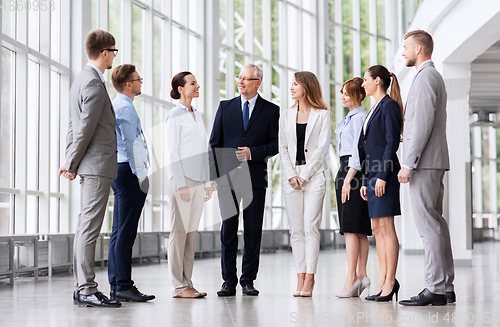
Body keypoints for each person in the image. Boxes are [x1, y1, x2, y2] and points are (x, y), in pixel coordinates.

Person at [58, 30, 120, 307]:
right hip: (96, 165)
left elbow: (74, 127)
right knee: (89, 228)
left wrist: (71, 161)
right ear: (105, 52)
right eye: (114, 51)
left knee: (85, 225)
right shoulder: (94, 83)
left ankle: (83, 287)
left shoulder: (80, 81)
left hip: (88, 163)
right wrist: (72, 162)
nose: (114, 57)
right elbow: (85, 128)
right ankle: (86, 288)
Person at [209, 64, 279, 296]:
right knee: (228, 230)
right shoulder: (225, 107)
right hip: (227, 179)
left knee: (252, 231)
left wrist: (253, 153)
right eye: (239, 77)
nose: (241, 82)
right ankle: (228, 281)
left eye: (246, 79)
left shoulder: (271, 111)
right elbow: (214, 144)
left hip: (255, 178)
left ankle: (248, 280)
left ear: (258, 83)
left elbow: (275, 145)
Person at [398, 30, 455, 306]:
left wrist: (408, 162)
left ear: (419, 48)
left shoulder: (425, 77)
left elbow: (420, 124)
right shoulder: (433, 76)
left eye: (406, 47)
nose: (403, 52)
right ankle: (446, 285)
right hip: (434, 160)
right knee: (437, 224)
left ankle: (435, 287)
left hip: (425, 163)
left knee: (428, 226)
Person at [279, 71, 331, 297]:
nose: (292, 88)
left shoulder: (322, 115)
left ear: (307, 87)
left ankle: (310, 277)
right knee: (296, 230)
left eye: (296, 84)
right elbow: (283, 148)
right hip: (291, 177)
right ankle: (299, 276)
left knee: (311, 227)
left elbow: (322, 149)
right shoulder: (285, 115)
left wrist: (305, 175)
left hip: (314, 177)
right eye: (291, 84)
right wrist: (292, 174)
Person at [107, 64, 155, 302]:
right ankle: (123, 285)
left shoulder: (119, 105)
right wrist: (141, 174)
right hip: (128, 172)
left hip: (120, 170)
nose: (140, 82)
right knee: (125, 231)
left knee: (119, 231)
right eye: (138, 79)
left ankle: (117, 284)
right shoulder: (125, 108)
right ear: (128, 84)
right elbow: (130, 144)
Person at [166, 71, 213, 298]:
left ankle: (188, 282)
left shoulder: (200, 115)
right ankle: (178, 286)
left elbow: (204, 151)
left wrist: (207, 182)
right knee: (179, 234)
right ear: (181, 89)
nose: (197, 86)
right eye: (193, 83)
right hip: (181, 182)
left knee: (191, 235)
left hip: (198, 181)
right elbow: (173, 152)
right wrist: (182, 184)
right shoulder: (174, 116)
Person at [358, 65, 403, 302]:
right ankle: (383, 279)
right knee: (377, 229)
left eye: (366, 79)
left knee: (386, 228)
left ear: (377, 81)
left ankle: (390, 281)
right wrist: (366, 180)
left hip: (384, 174)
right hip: (372, 174)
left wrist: (383, 176)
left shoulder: (389, 106)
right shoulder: (374, 108)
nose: (363, 84)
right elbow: (368, 148)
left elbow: (390, 144)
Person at [334, 77, 372, 298]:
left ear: (359, 95)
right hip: (346, 169)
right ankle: (361, 275)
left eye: (347, 93)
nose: (343, 96)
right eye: (342, 93)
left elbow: (358, 152)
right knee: (356, 228)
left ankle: (352, 278)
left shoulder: (359, 119)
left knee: (351, 228)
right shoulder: (350, 117)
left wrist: (348, 179)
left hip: (352, 171)